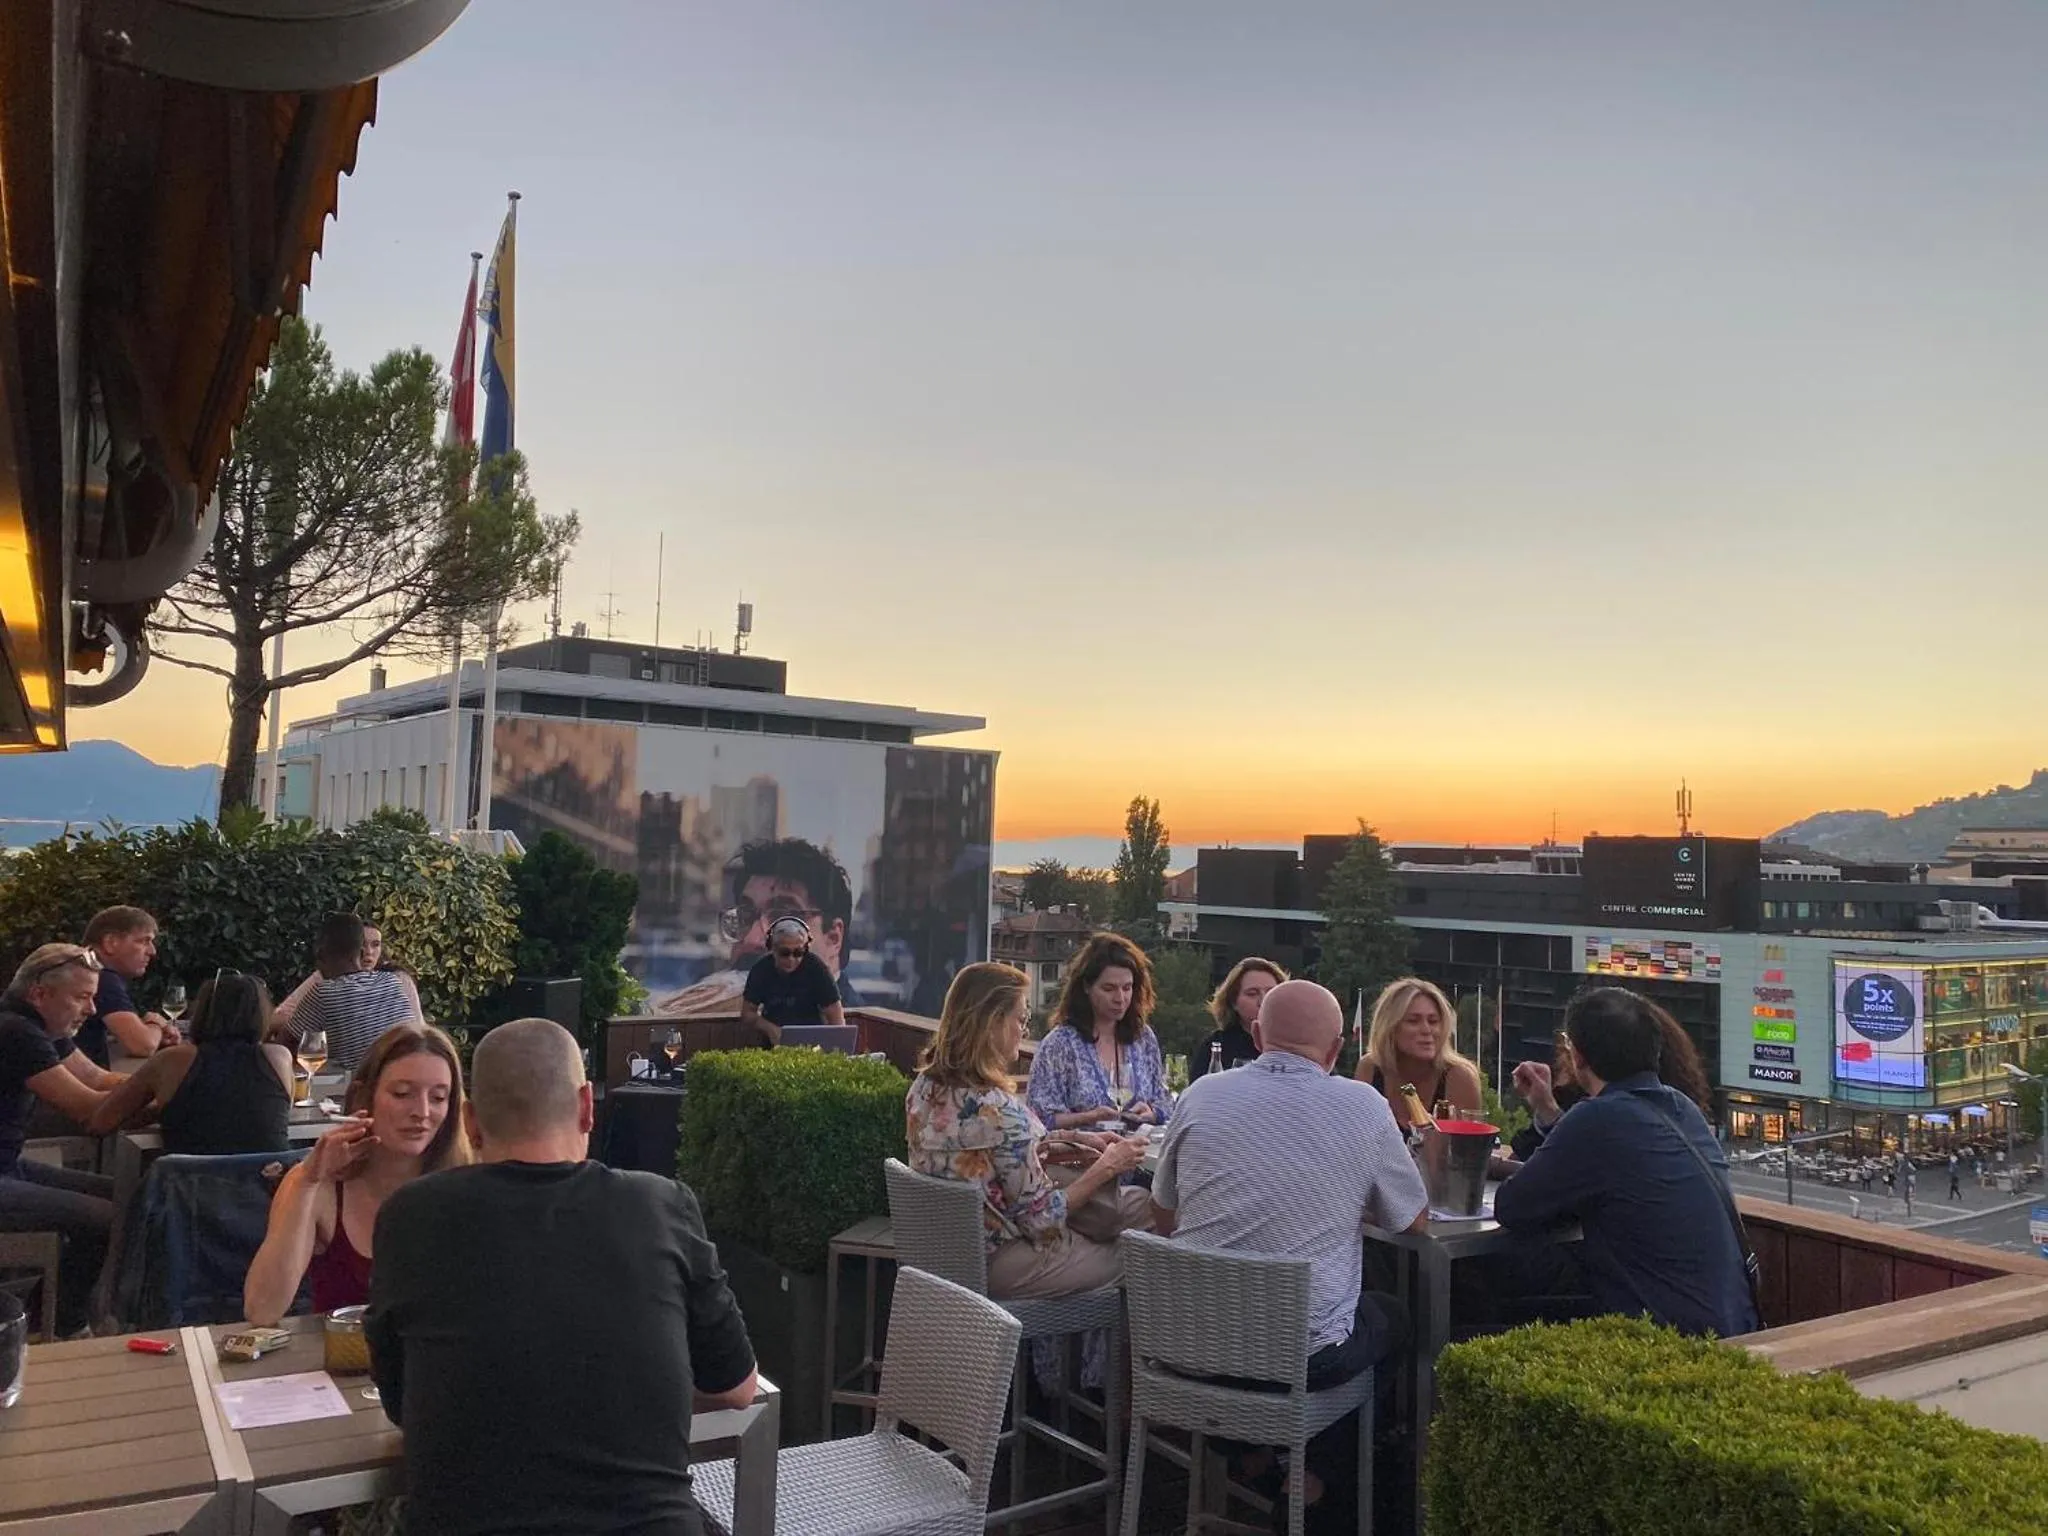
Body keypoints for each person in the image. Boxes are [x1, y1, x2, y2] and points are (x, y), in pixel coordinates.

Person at [366, 1019, 757, 1536]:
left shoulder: (409, 1216)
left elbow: (402, 1405)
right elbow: (737, 1389)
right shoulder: (662, 1205)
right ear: (588, 1107)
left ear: (470, 1121)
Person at [1154, 979, 1425, 1524]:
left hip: (1187, 1349)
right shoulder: (1362, 1106)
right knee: (1392, 1317)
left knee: (1335, 1323)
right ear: (1336, 1048)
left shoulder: (1202, 1094)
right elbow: (1413, 1221)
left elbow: (1163, 1215)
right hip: (1295, 1361)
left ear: (1257, 1036)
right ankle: (1319, 1480)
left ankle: (1261, 1455)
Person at [1498, 987, 1758, 1339]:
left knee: (1475, 1324)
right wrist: (1549, 1111)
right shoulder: (1683, 1109)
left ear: (1578, 1056)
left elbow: (1512, 1206)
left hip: (1666, 1339)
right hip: (1730, 1326)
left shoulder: (1599, 1117)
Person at [907, 963, 1150, 1297]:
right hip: (1003, 1261)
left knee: (1137, 1204)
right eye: (1020, 1019)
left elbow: (990, 1151)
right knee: (1141, 1252)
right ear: (993, 1023)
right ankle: (1148, 1347)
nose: (1024, 1030)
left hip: (947, 1255)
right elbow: (1043, 1223)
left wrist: (1075, 1139)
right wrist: (1110, 1164)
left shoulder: (924, 1088)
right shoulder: (1000, 1110)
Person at [243, 1022, 469, 1326]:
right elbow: (261, 1310)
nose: (423, 1111)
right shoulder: (318, 1184)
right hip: (346, 1364)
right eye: (402, 1094)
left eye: (439, 1097)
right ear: (365, 1096)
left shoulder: (467, 1182)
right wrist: (306, 1181)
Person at [0, 944, 124, 1333]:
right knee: (111, 1217)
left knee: (125, 1194)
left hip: (9, 1163)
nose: (91, 1010)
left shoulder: (37, 1024)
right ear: (40, 994)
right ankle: (55, 1325)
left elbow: (98, 1079)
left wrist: (168, 1080)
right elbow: (89, 1109)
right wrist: (171, 1096)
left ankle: (41, 1311)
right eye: (82, 997)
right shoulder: (17, 1031)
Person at [86, 973, 293, 1156]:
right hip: (268, 1191)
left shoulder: (171, 1060)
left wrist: (165, 1108)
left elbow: (101, 1122)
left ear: (202, 1012)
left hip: (186, 1192)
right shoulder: (279, 1058)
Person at [1511, 999, 1710, 1162]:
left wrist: (1550, 1111)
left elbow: (1515, 1194)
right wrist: (1548, 1109)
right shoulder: (1686, 1113)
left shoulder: (1600, 1113)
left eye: (1570, 1043)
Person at [1027, 932, 1172, 1132]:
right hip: (1082, 1159)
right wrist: (1088, 1117)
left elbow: (1165, 1100)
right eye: (1109, 988)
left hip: (1141, 1156)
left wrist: (1152, 1112)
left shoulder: (1143, 1037)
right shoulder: (1060, 1045)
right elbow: (1038, 1119)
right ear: (1087, 986)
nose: (1120, 998)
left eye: (1127, 988)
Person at [276, 912, 423, 1074]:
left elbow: (282, 1048)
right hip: (410, 1076)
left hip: (368, 1089)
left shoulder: (324, 992)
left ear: (321, 954)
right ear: (360, 952)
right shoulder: (392, 981)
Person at [1355, 977, 1482, 1129]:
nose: (1426, 1030)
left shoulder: (1460, 1077)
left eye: (1433, 1021)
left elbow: (1465, 1149)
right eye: (1413, 1021)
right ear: (1391, 1027)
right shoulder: (1369, 1068)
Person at [78, 905, 178, 1066]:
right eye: (144, 941)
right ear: (110, 942)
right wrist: (155, 1022)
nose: (152, 951)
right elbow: (142, 1045)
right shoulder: (99, 977)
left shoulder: (79, 967)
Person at [739, 916, 846, 1045]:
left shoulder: (817, 968)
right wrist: (770, 1029)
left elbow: (836, 1017)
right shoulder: (761, 969)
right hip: (773, 1046)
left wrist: (836, 1049)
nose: (791, 959)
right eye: (784, 953)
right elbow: (747, 1013)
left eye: (798, 953)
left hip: (813, 1046)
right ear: (772, 948)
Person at [1192, 957, 1285, 1078]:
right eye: (1252, 994)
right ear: (1233, 1002)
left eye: (1271, 992)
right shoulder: (1216, 1046)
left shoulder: (1295, 1046)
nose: (1263, 1001)